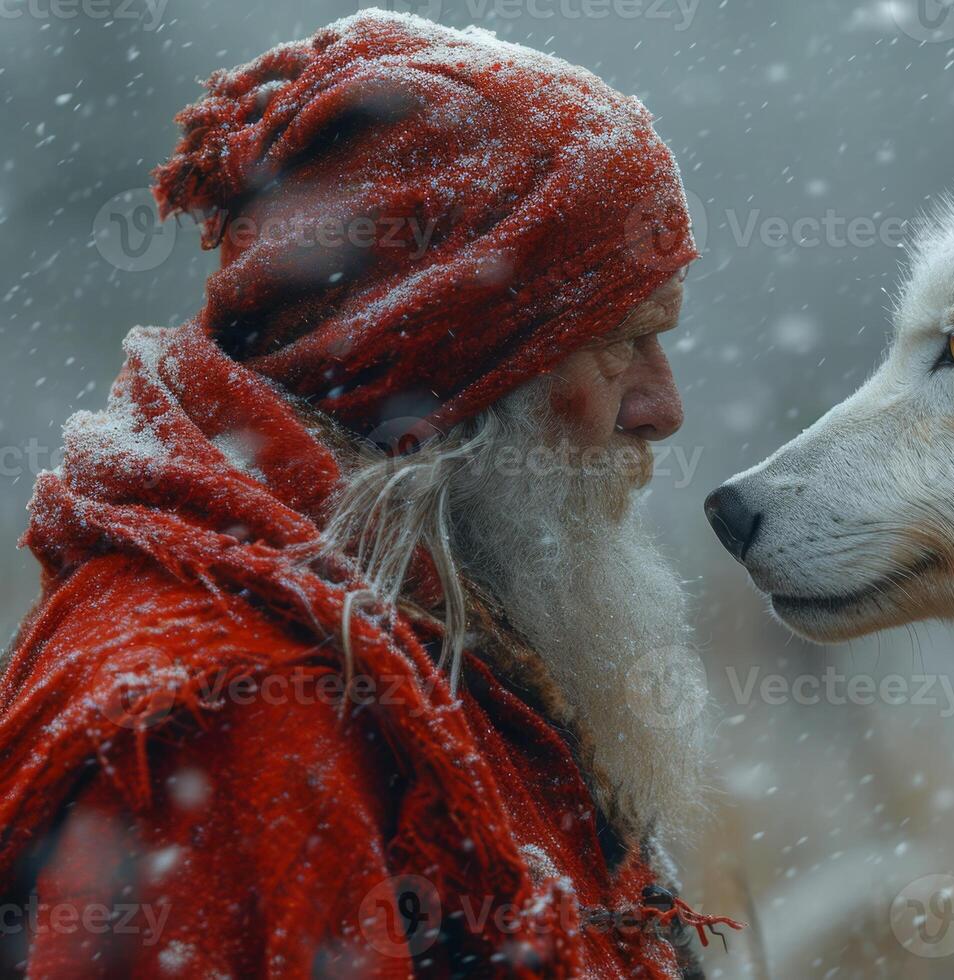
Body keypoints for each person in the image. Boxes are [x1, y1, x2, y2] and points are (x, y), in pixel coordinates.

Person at [0, 11, 734, 977]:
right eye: (618, 338)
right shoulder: (220, 717)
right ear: (447, 367)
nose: (662, 408)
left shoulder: (434, 636)